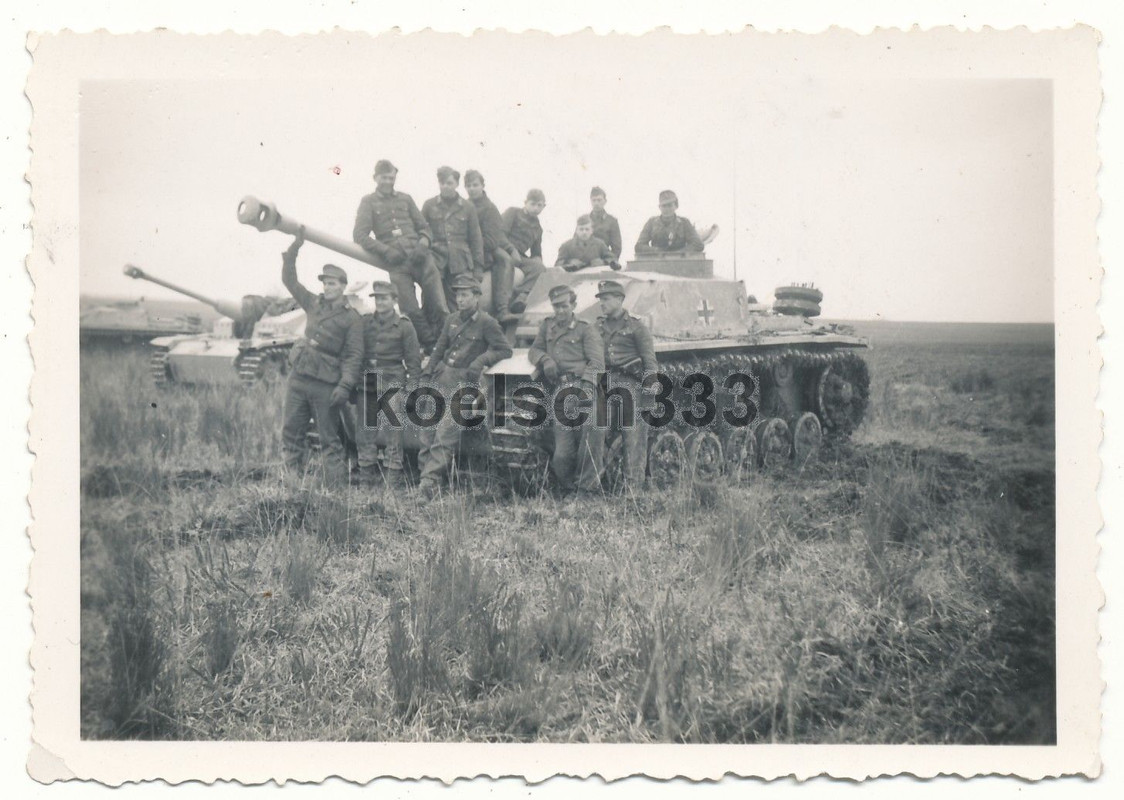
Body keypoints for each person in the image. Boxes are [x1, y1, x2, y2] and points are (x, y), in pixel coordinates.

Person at [279, 227, 363, 487]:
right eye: (325, 283)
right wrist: (293, 252)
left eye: (333, 283)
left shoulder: (352, 319)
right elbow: (290, 281)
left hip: (326, 383)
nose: (328, 287)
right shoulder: (313, 303)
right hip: (300, 375)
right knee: (292, 432)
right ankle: (292, 483)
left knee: (329, 438)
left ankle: (334, 490)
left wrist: (345, 385)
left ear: (343, 287)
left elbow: (354, 355)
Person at [416, 273, 512, 497]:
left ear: (477, 296)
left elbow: (504, 349)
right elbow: (440, 348)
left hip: (465, 384)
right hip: (444, 378)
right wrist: (428, 371)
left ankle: (428, 483)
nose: (460, 300)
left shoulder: (487, 323)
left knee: (446, 433)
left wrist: (480, 361)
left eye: (465, 295)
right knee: (427, 430)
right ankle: (424, 475)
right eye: (458, 295)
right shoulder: (452, 320)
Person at [352, 159, 448, 349]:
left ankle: (445, 342)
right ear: (375, 178)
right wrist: (385, 251)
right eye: (383, 178)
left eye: (391, 177)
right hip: (397, 263)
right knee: (409, 309)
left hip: (421, 257)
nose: (388, 181)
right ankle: (429, 343)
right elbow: (360, 235)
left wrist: (423, 243)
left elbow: (424, 227)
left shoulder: (405, 198)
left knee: (438, 304)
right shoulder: (368, 202)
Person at [528, 285, 605, 496]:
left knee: (588, 444)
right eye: (556, 306)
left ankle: (587, 490)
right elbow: (534, 349)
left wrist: (586, 388)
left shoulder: (586, 329)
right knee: (562, 453)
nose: (560, 311)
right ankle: (568, 489)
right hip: (561, 391)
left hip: (583, 388)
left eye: (564, 306)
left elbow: (597, 363)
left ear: (573, 305)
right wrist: (545, 359)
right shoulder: (548, 327)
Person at [356, 281, 422, 489]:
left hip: (392, 381)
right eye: (377, 298)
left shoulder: (404, 325)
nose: (380, 302)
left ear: (394, 300)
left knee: (394, 434)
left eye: (384, 298)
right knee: (366, 431)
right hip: (369, 381)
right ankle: (366, 478)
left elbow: (413, 360)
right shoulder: (366, 323)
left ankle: (392, 481)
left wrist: (411, 388)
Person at [595, 280, 657, 491]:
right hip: (604, 383)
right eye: (600, 298)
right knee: (597, 431)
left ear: (620, 299)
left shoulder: (636, 326)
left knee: (634, 437)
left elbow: (649, 360)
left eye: (606, 298)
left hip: (629, 384)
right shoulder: (598, 326)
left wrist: (649, 394)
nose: (601, 302)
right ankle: (596, 484)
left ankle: (633, 489)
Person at [422, 166, 485, 311]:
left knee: (461, 303)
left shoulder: (468, 207)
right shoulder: (429, 205)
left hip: (460, 263)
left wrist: (478, 268)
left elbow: (476, 239)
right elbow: (421, 230)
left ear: (456, 184)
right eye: (442, 183)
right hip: (436, 262)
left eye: (449, 183)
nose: (445, 186)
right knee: (432, 303)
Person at [464, 169, 516, 316]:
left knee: (505, 260)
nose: (472, 189)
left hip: (486, 248)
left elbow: (493, 240)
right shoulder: (462, 206)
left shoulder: (490, 208)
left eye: (475, 185)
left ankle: (502, 307)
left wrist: (474, 245)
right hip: (466, 248)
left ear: (482, 185)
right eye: (468, 185)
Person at [500, 189, 549, 313]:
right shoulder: (513, 212)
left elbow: (536, 252)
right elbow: (500, 234)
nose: (536, 208)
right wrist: (511, 250)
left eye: (539, 205)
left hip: (520, 257)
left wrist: (539, 264)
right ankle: (503, 304)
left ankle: (521, 297)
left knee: (539, 268)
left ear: (544, 206)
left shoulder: (538, 228)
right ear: (525, 202)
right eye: (533, 204)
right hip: (503, 249)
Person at [634, 189, 705, 255]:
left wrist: (678, 253)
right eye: (664, 206)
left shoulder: (684, 223)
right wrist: (657, 251)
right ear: (659, 207)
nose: (667, 209)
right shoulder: (651, 223)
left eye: (670, 205)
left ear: (676, 206)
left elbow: (698, 244)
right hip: (657, 262)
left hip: (681, 263)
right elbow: (639, 246)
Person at [555, 214, 620, 272]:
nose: (584, 232)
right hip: (573, 281)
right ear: (576, 231)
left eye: (587, 229)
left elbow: (613, 258)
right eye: (581, 229)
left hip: (595, 280)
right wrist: (569, 262)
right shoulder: (566, 246)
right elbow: (557, 265)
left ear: (592, 230)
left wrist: (603, 262)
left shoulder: (600, 244)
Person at [589, 186, 623, 260]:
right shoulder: (584, 220)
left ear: (605, 201)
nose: (596, 203)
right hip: (584, 262)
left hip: (603, 262)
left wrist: (607, 262)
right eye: (594, 200)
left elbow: (616, 249)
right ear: (590, 201)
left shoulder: (612, 221)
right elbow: (575, 243)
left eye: (599, 200)